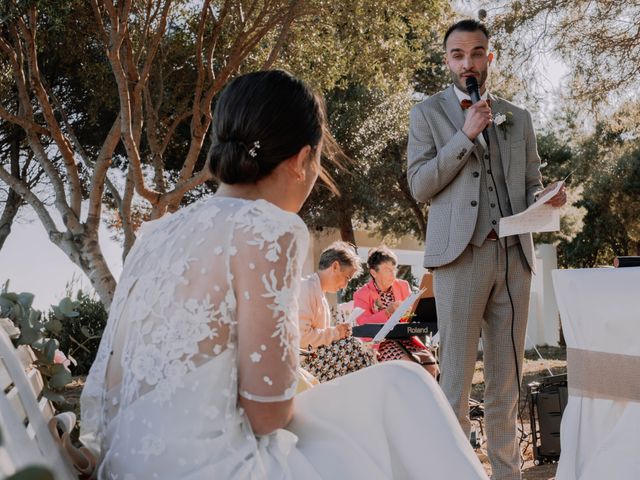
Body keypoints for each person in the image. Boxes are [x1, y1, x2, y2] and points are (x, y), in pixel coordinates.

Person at [80, 69, 488, 479]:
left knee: (392, 392)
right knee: (403, 387)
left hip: (126, 463)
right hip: (215, 467)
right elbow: (267, 415)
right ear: (300, 160)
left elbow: (108, 388)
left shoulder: (155, 235)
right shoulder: (267, 227)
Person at [407, 19, 567, 480]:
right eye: (458, 55)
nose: (468, 63)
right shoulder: (428, 114)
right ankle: (450, 472)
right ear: (447, 62)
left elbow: (531, 182)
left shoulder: (519, 117)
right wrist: (465, 135)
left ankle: (507, 474)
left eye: (477, 53)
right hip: (461, 259)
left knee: (507, 384)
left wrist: (548, 198)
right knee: (454, 381)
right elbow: (420, 185)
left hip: (513, 257)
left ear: (489, 59)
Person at [353, 246, 439, 378]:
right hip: (381, 344)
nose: (393, 274)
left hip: (407, 338)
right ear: (373, 272)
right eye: (388, 270)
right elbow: (363, 323)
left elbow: (411, 316)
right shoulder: (362, 294)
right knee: (409, 367)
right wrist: (387, 312)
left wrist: (409, 312)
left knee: (431, 366)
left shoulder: (402, 285)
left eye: (394, 269)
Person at [298, 241, 361, 350]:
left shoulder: (318, 291)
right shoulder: (306, 288)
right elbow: (301, 337)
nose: (345, 285)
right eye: (347, 278)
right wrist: (336, 333)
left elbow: (319, 334)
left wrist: (339, 332)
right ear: (335, 266)